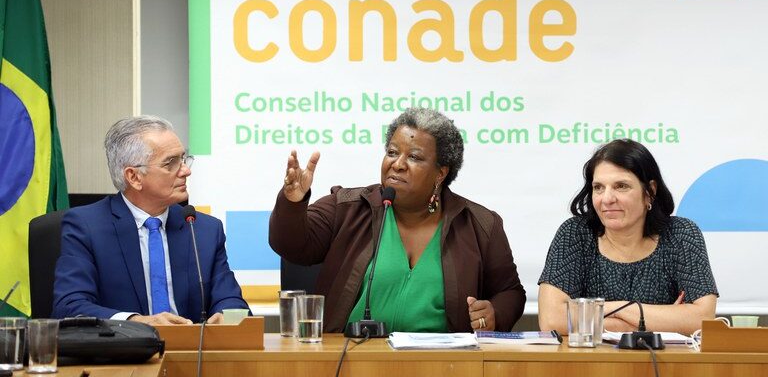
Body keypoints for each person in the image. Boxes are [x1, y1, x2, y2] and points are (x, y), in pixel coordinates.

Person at [269, 108, 526, 333]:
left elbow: (510, 292)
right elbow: (292, 245)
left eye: (414, 157)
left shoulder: (480, 224)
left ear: (440, 173)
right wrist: (293, 201)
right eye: (392, 152)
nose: (398, 164)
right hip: (351, 358)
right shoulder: (347, 206)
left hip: (442, 362)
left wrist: (494, 313)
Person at [53, 116, 249, 324]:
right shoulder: (86, 227)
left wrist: (227, 319)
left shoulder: (203, 229)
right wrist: (137, 321)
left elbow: (232, 301)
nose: (186, 171)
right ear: (134, 177)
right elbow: (70, 307)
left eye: (183, 159)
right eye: (170, 163)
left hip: (193, 352)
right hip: (123, 353)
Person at [538, 139, 718, 335]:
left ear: (650, 192)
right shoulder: (575, 233)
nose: (606, 198)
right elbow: (552, 320)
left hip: (666, 364)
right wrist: (659, 320)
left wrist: (614, 310)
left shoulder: (681, 234)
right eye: (598, 187)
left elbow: (702, 320)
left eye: (621, 186)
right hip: (589, 364)